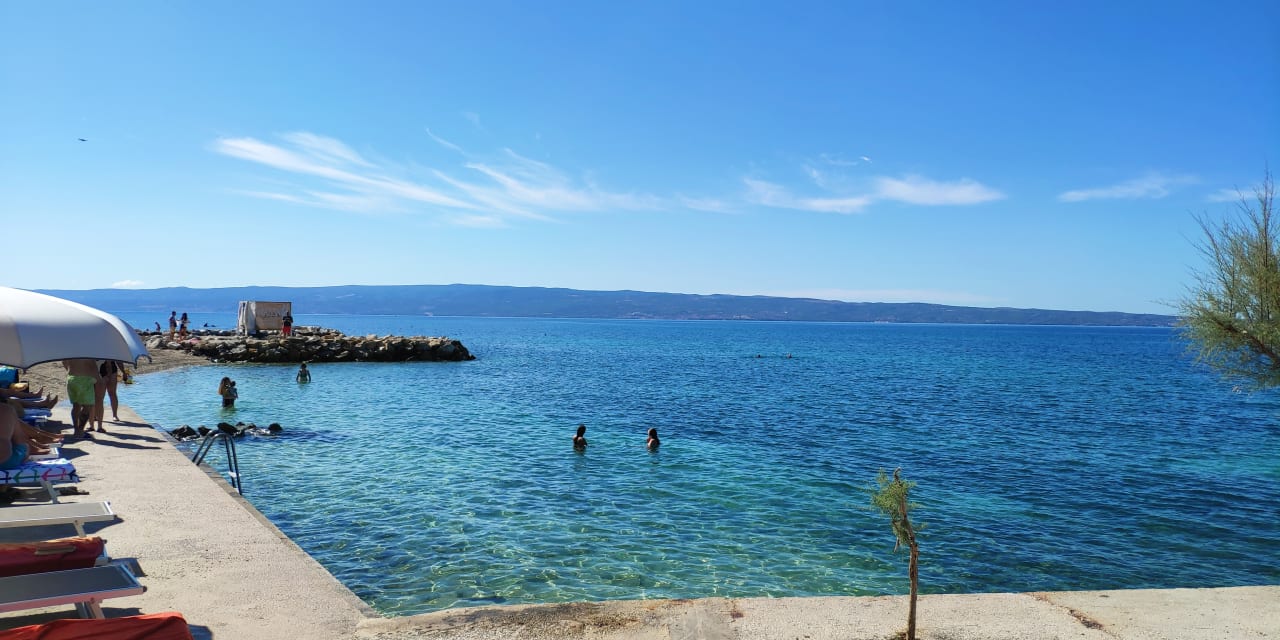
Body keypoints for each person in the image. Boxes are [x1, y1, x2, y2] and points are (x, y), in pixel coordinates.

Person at [62, 359, 100, 438]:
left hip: (71, 378)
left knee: (76, 406)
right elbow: (93, 367)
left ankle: (77, 430)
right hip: (85, 379)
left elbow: (64, 361)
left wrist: (70, 370)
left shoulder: (70, 353)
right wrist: (98, 380)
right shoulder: (86, 353)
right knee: (87, 406)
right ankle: (80, 430)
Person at [0, 403, 33, 471]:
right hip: (5, 462)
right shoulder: (5, 409)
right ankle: (38, 438)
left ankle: (38, 437)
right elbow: (4, 451)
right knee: (23, 446)